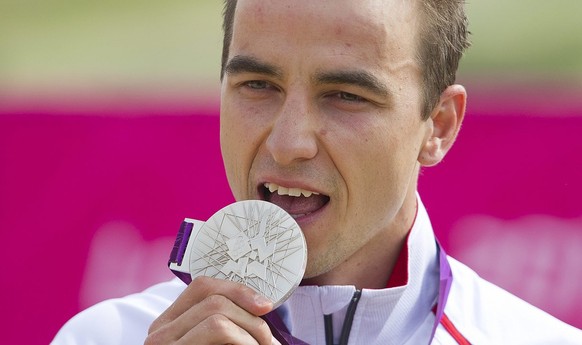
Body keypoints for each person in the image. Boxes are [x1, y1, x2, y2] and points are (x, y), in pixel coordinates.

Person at [53, 0, 582, 344]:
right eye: (257, 86)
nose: (287, 145)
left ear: (437, 126)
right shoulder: (102, 336)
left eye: (345, 96)